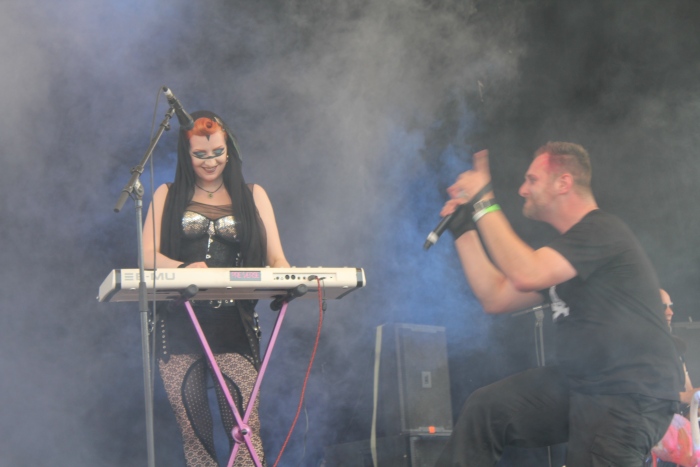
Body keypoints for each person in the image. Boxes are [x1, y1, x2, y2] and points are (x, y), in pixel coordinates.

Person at [434, 142, 684, 466]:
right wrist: (463, 229)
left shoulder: (602, 230)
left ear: (563, 183)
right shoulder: (566, 253)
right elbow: (495, 296)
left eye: (532, 180)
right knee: (487, 409)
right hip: (582, 383)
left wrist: (483, 198)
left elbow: (526, 273)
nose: (522, 190)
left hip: (627, 393)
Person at [142, 110, 289, 466]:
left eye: (217, 152)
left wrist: (287, 279)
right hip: (179, 322)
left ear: (229, 150)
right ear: (186, 154)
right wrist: (184, 268)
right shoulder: (167, 194)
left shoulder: (253, 195)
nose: (210, 162)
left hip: (233, 323)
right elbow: (146, 256)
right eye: (200, 154)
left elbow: (277, 259)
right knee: (194, 432)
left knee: (244, 427)